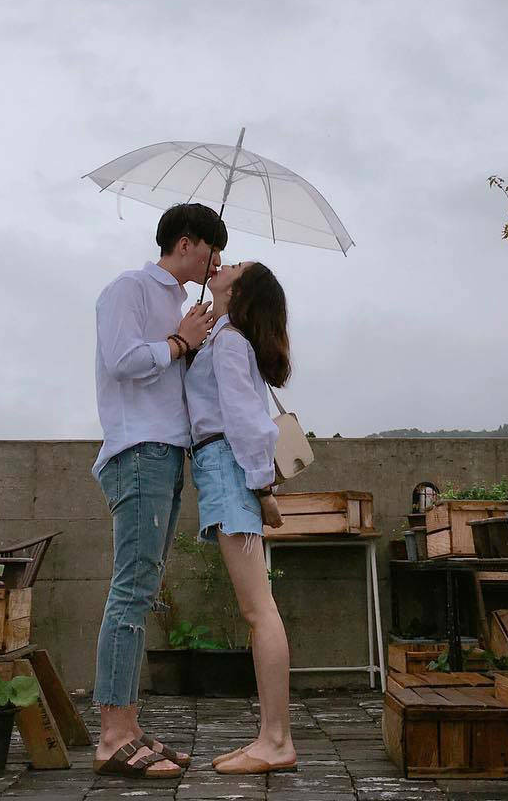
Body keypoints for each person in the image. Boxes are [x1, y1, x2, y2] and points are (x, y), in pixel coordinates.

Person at [91, 202, 227, 781]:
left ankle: (131, 726)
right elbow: (122, 361)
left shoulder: (179, 306)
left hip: (166, 453)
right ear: (187, 242)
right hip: (138, 451)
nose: (215, 260)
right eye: (211, 249)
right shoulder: (129, 289)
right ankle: (113, 735)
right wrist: (177, 342)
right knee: (131, 589)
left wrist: (193, 339)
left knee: (143, 591)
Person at [184, 260, 298, 775]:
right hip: (224, 470)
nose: (224, 262)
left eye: (235, 264)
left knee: (259, 610)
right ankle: (270, 737)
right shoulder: (222, 337)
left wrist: (262, 488)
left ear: (241, 288)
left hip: (229, 470)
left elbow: (248, 423)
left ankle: (276, 740)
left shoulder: (230, 341)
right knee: (259, 609)